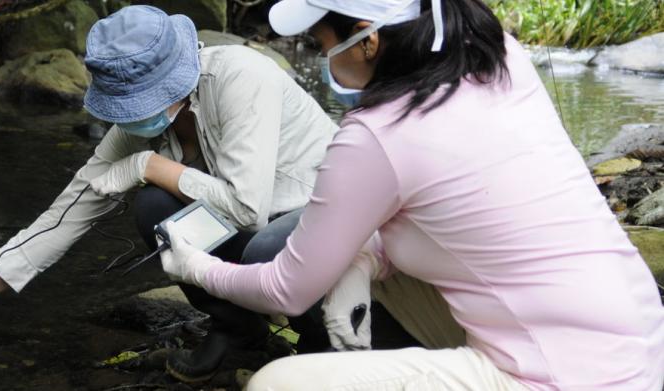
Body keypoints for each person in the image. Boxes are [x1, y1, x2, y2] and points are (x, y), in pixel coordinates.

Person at [156, 0, 664, 389]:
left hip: (559, 376)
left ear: (367, 41)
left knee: (276, 384)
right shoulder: (503, 61)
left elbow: (286, 291)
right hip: (638, 341)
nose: (322, 60)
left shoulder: (377, 134)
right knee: (344, 262)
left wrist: (195, 266)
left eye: (319, 44)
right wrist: (366, 261)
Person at [0, 5, 357, 382]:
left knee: (264, 244)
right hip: (256, 227)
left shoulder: (242, 78)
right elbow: (67, 214)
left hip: (327, 219)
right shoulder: (139, 125)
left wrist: (147, 165)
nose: (129, 117)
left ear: (176, 78)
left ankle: (323, 347)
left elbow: (247, 209)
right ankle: (238, 330)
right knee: (155, 208)